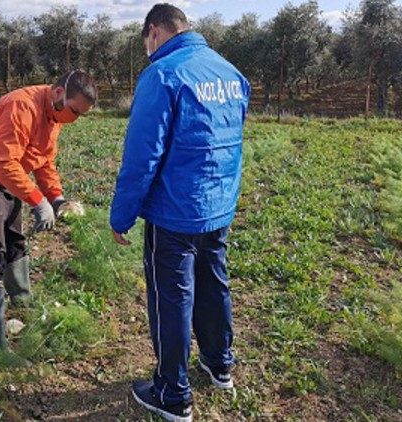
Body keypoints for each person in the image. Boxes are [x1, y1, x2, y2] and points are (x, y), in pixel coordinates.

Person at [109, 4, 250, 421]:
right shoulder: (228, 70)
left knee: (172, 299)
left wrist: (122, 216)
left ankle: (172, 393)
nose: (148, 50)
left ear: (154, 32)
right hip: (218, 205)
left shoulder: (163, 74)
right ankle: (219, 362)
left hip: (175, 212)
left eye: (146, 42)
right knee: (213, 282)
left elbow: (142, 157)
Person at [0, 70, 97, 347]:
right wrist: (37, 199)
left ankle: (22, 301)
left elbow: (44, 161)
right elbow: (3, 164)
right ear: (59, 94)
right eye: (75, 111)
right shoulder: (21, 106)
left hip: (11, 182)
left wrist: (56, 198)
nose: (75, 119)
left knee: (14, 241)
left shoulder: (54, 114)